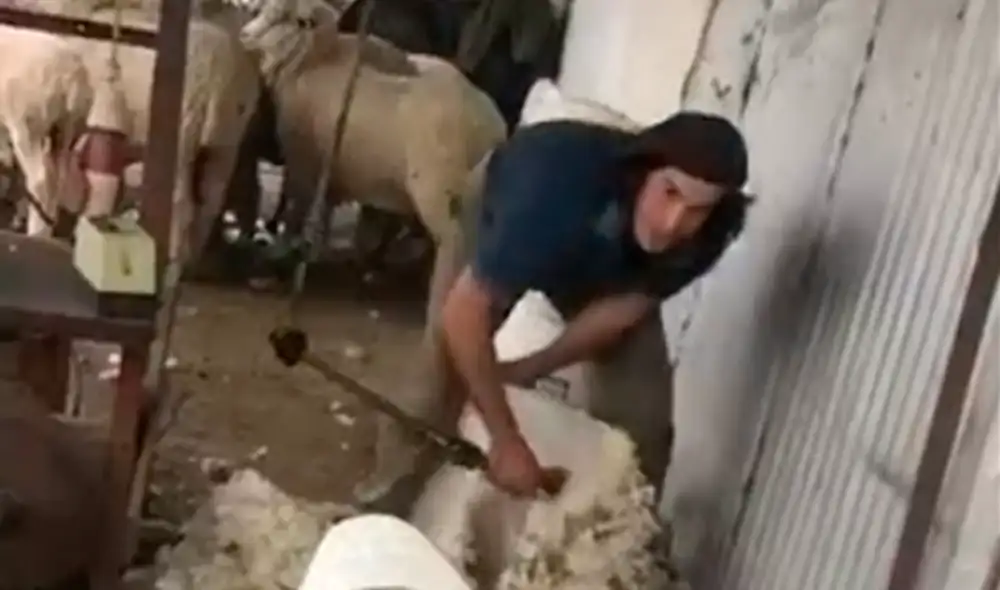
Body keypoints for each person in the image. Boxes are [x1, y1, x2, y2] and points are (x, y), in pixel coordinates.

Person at [359, 111, 751, 512]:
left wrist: (531, 368)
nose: (673, 224)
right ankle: (384, 511)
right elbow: (464, 315)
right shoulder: (551, 196)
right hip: (514, 210)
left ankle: (621, 540)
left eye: (698, 209)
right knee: (442, 374)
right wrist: (505, 438)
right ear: (643, 171)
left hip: (605, 261)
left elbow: (619, 312)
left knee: (643, 418)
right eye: (669, 193)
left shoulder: (705, 236)